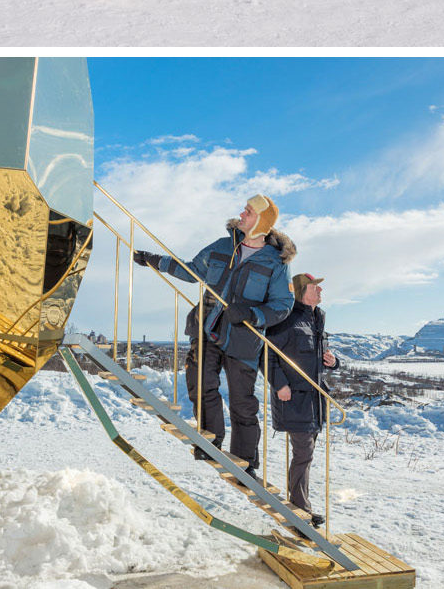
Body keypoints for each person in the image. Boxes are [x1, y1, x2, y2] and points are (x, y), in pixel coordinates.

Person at [133, 195, 295, 471]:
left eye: (248, 212)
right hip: (207, 327)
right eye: (244, 210)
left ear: (262, 222)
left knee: (242, 402)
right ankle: (209, 441)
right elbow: (193, 270)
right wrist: (154, 260)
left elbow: (283, 305)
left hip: (243, 338)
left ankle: (245, 461)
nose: (241, 214)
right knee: (199, 382)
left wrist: (252, 315)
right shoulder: (222, 246)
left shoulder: (275, 263)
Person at [265, 273, 339, 527]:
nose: (320, 291)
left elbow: (315, 359)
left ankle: (301, 505)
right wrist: (280, 384)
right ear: (300, 291)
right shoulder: (286, 319)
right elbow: (267, 354)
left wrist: (333, 361)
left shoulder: (315, 319)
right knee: (303, 454)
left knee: (305, 456)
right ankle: (300, 509)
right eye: (314, 287)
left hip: (314, 401)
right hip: (294, 398)